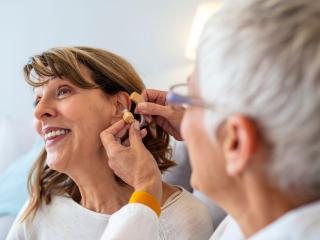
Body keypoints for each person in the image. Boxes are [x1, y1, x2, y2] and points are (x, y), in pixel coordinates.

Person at [99, 0, 320, 239]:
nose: (182, 116)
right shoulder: (252, 217)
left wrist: (145, 189)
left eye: (191, 100)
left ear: (235, 142)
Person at [6, 47, 213, 240]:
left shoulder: (181, 218)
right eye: (37, 100)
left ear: (119, 106)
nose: (39, 111)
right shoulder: (39, 209)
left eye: (63, 91)